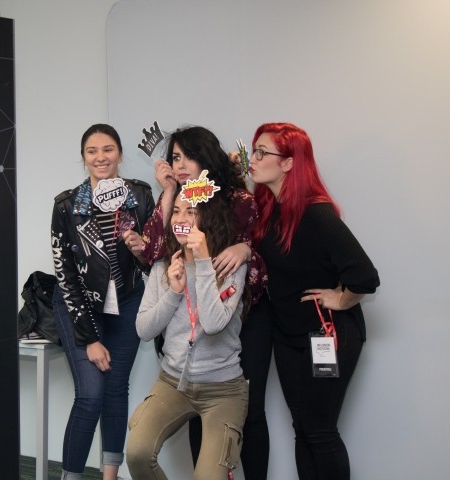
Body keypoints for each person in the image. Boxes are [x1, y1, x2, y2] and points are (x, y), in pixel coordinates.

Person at [124, 125, 271, 478]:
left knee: (250, 416)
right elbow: (155, 253)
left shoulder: (236, 206)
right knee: (146, 448)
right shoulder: (168, 258)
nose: (181, 164)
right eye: (175, 157)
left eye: (188, 156)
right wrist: (169, 193)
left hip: (236, 327)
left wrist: (240, 250)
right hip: (179, 366)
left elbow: (262, 255)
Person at [248, 122, 380, 479]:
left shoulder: (315, 212)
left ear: (289, 163)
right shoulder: (269, 208)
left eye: (262, 152)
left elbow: (365, 276)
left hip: (328, 333)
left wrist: (342, 299)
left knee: (320, 431)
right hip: (289, 335)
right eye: (253, 151)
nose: (253, 159)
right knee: (303, 428)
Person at [51, 123, 155, 480]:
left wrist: (141, 250)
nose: (101, 157)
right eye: (92, 151)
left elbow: (154, 261)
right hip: (79, 305)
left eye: (108, 149)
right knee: (91, 394)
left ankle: (110, 476)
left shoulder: (139, 196)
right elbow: (65, 275)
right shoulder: (66, 206)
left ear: (120, 155)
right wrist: (90, 338)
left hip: (127, 301)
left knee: (115, 389)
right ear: (83, 158)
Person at [126, 186, 249, 480]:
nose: (181, 218)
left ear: (209, 218)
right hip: (173, 383)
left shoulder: (231, 266)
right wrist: (173, 292)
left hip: (223, 390)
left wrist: (203, 262)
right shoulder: (164, 266)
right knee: (138, 453)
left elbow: (214, 323)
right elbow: (144, 330)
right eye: (177, 211)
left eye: (191, 212)